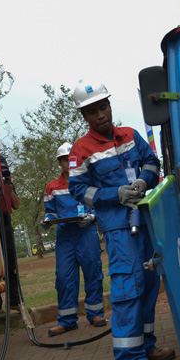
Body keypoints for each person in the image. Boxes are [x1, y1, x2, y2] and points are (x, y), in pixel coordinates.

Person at [68, 80, 174, 360]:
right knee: (129, 288)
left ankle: (146, 347)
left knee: (151, 283)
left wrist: (142, 181)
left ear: (110, 106)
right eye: (92, 111)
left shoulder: (130, 135)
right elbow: (78, 190)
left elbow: (152, 162)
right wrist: (115, 194)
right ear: (84, 117)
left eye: (103, 107)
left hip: (146, 220)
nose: (100, 114)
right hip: (118, 228)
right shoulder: (81, 150)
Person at [42, 142, 106, 336]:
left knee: (93, 272)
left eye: (70, 158)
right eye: (63, 159)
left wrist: (92, 217)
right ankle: (67, 320)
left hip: (86, 234)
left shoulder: (90, 181)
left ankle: (95, 314)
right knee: (63, 277)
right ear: (59, 162)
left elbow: (100, 206)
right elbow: (51, 212)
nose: (67, 162)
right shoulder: (52, 187)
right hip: (65, 238)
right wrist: (47, 221)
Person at [0, 155, 21, 320]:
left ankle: (15, 301)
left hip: (5, 222)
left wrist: (8, 186)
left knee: (11, 265)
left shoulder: (7, 184)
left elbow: (15, 205)